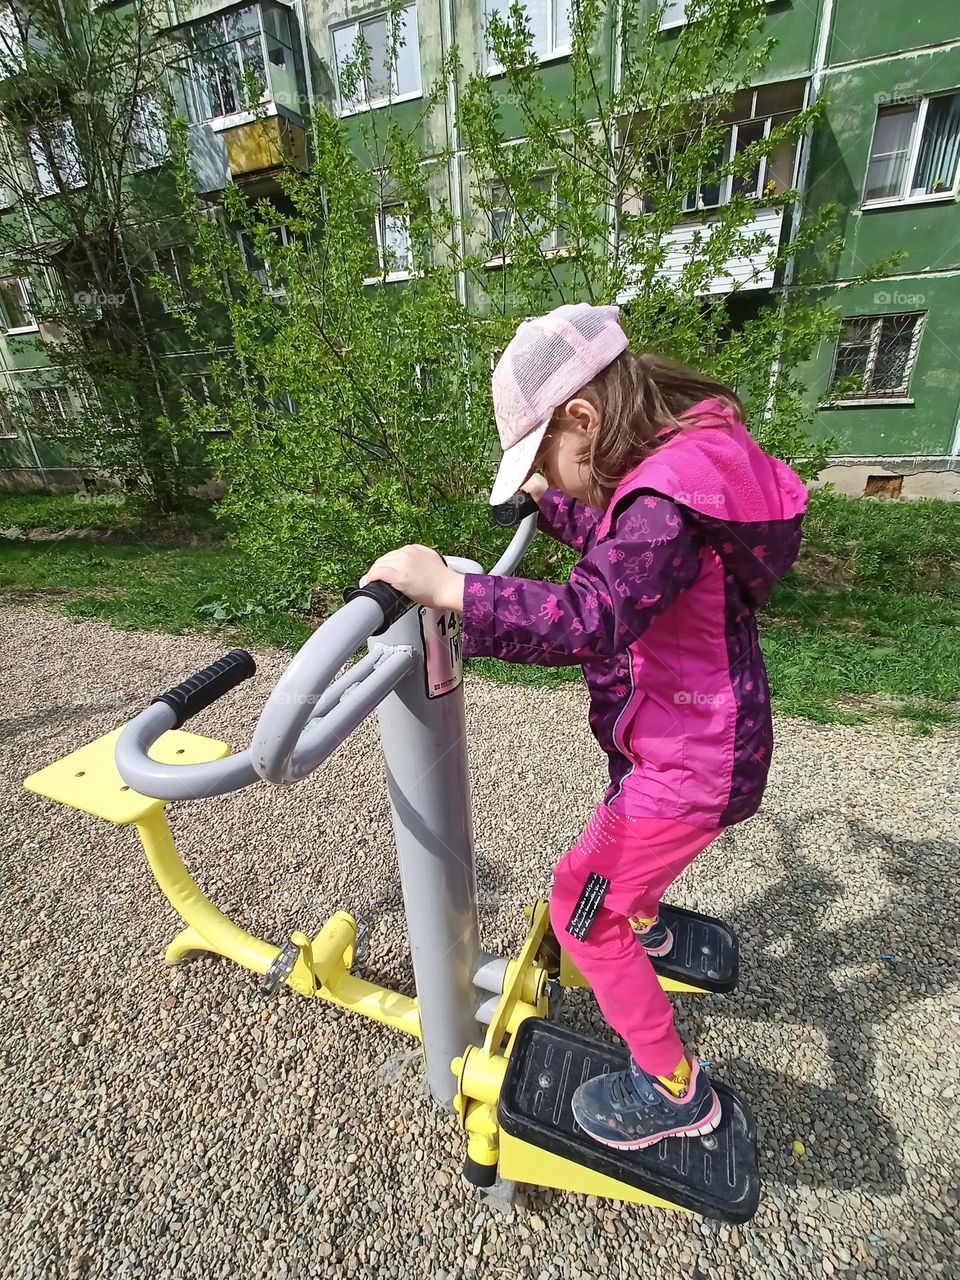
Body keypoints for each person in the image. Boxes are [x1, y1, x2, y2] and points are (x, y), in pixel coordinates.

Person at [362, 302, 807, 1150]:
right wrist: (552, 502)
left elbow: (590, 614)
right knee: (616, 879)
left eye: (547, 459)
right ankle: (645, 915)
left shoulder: (662, 503)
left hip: (689, 765)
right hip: (690, 736)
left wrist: (450, 589)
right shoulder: (678, 464)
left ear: (584, 419)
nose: (553, 476)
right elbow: (626, 547)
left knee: (580, 909)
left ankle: (675, 1092)